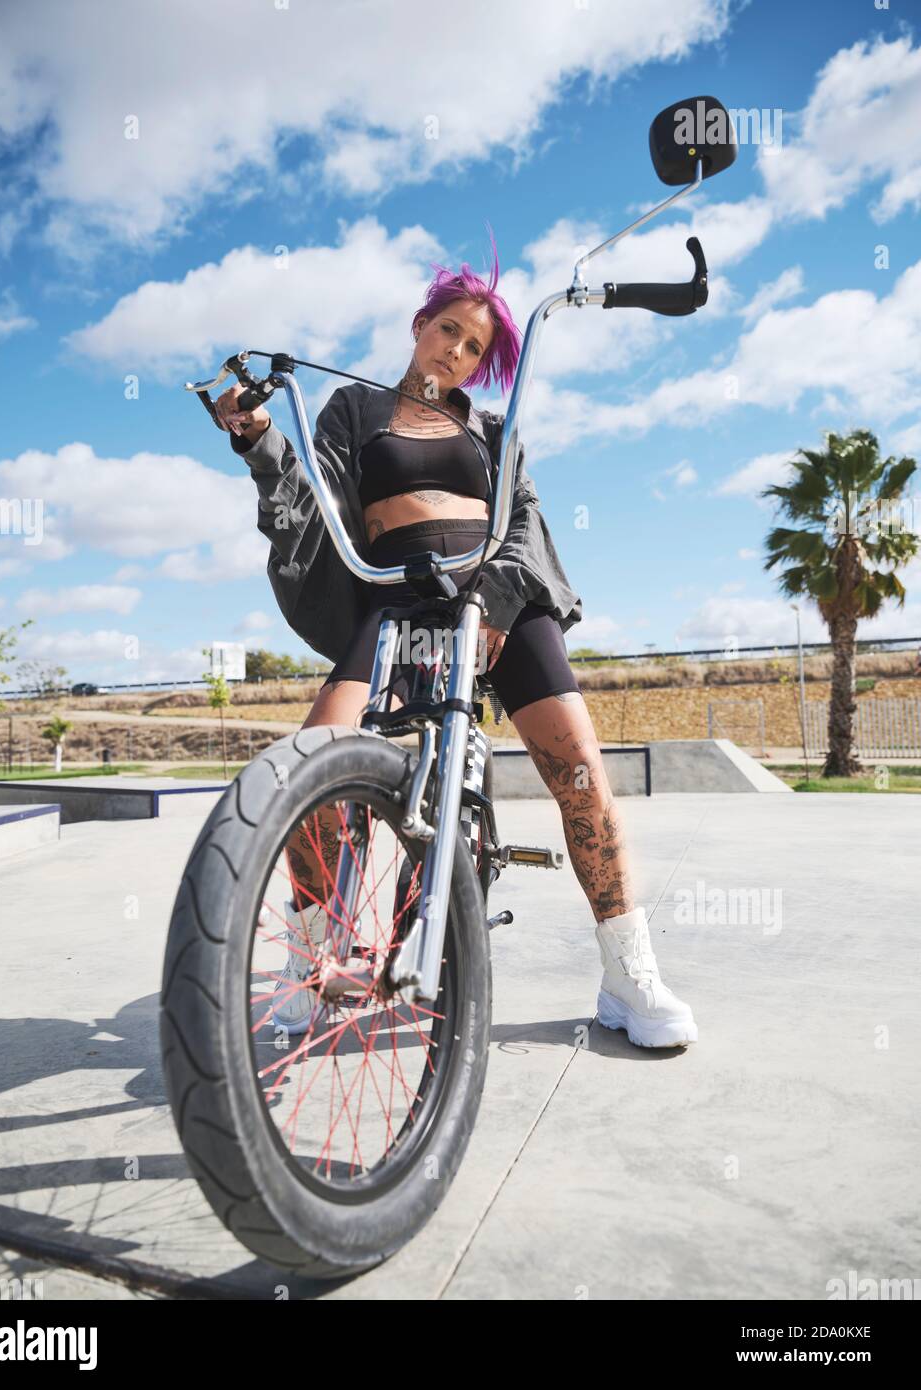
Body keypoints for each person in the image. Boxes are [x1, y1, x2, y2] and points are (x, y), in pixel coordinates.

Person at [215, 239, 697, 1050]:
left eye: (475, 348)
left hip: (499, 599)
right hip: (397, 598)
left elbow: (522, 520)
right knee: (309, 761)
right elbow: (312, 498)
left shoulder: (494, 430)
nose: (459, 352)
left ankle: (627, 972)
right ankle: (316, 949)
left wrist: (503, 594)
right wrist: (257, 436)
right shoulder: (354, 413)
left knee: (579, 770)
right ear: (419, 325)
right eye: (449, 331)